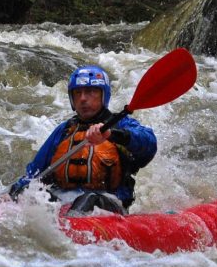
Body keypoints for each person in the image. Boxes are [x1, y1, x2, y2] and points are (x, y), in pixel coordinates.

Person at [8, 65, 157, 215]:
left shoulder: (121, 125)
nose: (83, 98)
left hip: (107, 203)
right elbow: (34, 174)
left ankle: (70, 229)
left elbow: (149, 144)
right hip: (63, 202)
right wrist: (15, 193)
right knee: (27, 191)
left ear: (103, 96)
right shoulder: (65, 130)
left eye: (90, 92)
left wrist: (111, 134)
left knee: (88, 200)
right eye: (77, 93)